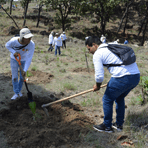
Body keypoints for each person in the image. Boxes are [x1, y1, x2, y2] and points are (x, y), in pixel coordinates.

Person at [85, 36, 140, 133]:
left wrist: (97, 86)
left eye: (89, 49)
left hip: (122, 77)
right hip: (135, 76)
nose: (89, 51)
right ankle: (119, 125)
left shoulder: (98, 54)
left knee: (107, 99)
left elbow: (99, 76)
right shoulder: (111, 45)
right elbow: (118, 64)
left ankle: (107, 126)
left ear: (94, 45)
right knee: (119, 98)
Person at [5, 28, 35, 100]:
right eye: (27, 38)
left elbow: (29, 57)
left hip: (24, 60)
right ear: (22, 37)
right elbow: (7, 45)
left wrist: (25, 70)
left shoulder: (31, 44)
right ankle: (17, 93)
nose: (30, 39)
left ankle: (19, 91)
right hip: (14, 59)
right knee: (15, 77)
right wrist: (13, 52)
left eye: (30, 37)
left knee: (22, 77)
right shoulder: (14, 40)